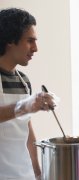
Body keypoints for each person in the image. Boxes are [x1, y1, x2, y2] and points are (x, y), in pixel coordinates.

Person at [0, 8, 58, 180]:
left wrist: (38, 173)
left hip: (23, 175)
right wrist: (24, 106)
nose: (35, 48)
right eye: (30, 41)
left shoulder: (23, 81)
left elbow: (26, 129)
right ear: (11, 40)